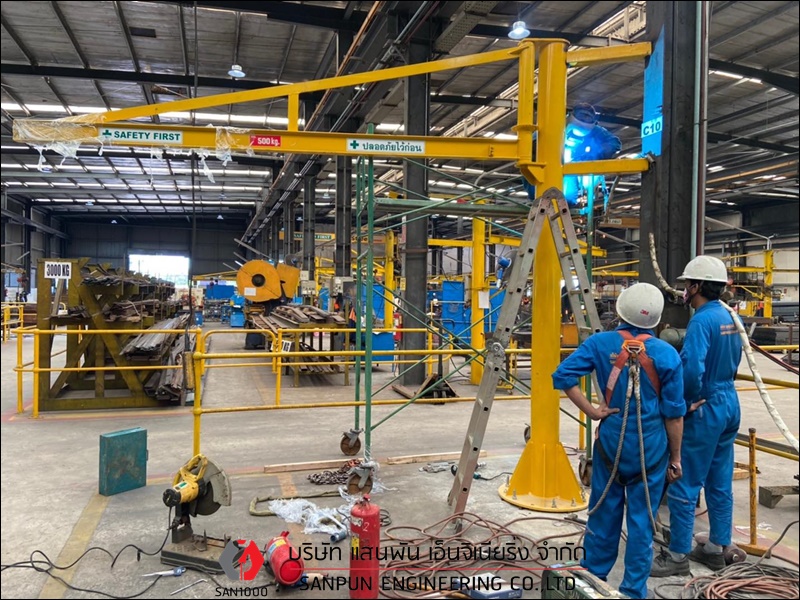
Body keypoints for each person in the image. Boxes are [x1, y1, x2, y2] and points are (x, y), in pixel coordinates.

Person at [552, 283, 685, 599]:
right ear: (656, 319)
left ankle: (591, 580)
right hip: (650, 448)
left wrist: (592, 411)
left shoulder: (599, 343)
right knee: (641, 523)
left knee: (603, 514)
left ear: (620, 311)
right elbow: (674, 415)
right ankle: (633, 591)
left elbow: (562, 376)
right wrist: (675, 458)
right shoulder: (667, 354)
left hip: (612, 443)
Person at [651, 256, 742, 576]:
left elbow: (691, 369)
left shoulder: (702, 321)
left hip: (705, 406)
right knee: (719, 478)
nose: (685, 290)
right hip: (729, 402)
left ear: (698, 286)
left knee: (684, 480)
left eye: (688, 284)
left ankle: (677, 556)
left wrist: (683, 403)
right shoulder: (728, 315)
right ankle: (716, 548)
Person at [523, 103, 622, 204]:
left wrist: (596, 154)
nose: (585, 119)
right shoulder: (555, 124)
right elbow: (531, 143)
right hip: (547, 164)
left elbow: (615, 143)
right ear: (571, 116)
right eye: (582, 116)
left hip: (570, 165)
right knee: (538, 190)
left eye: (587, 117)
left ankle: (567, 204)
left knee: (568, 198)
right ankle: (536, 198)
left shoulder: (596, 130)